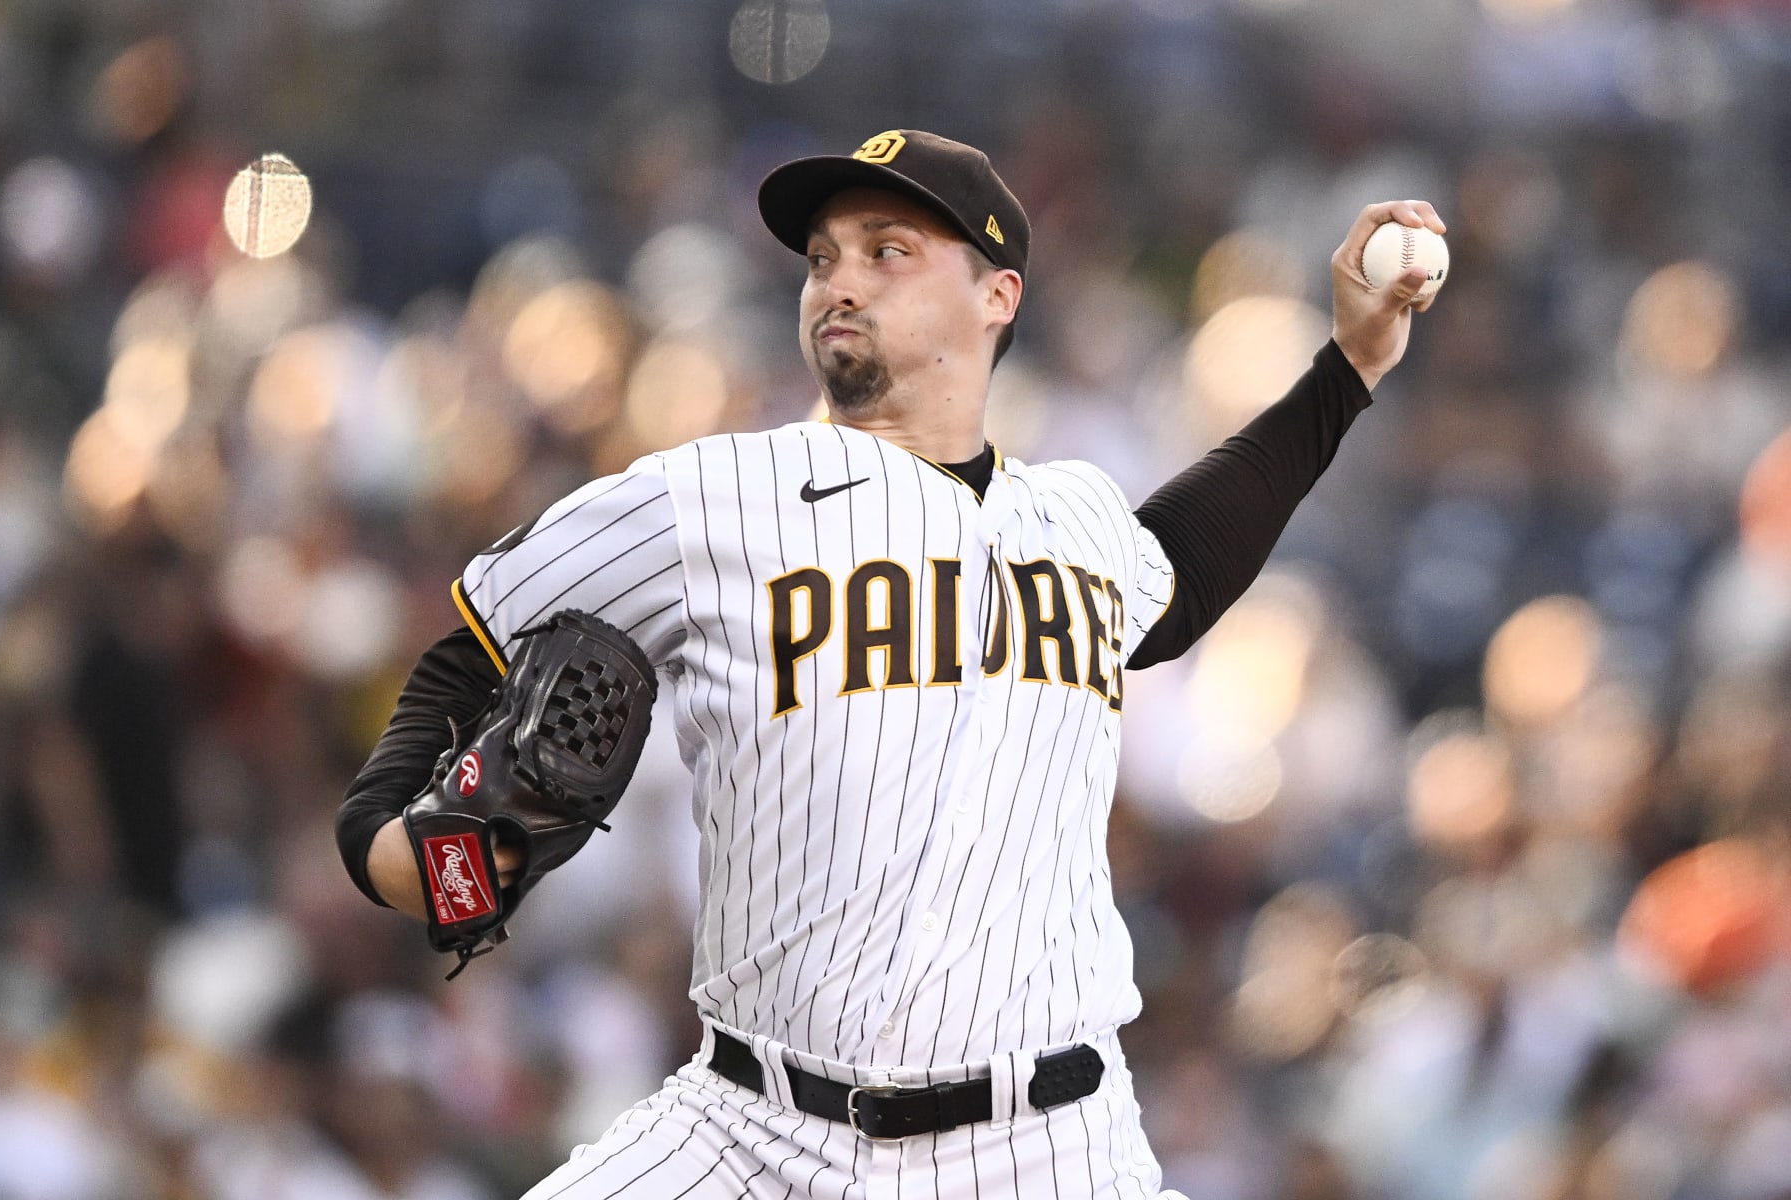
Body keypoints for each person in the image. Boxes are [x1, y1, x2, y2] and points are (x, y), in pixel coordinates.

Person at [336, 128, 1444, 1198]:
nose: (838, 282)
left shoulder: (1078, 517)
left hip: (1050, 1149)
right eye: (822, 259)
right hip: (750, 1131)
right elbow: (471, 646)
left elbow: (1185, 567)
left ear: (997, 295)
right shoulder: (706, 498)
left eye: (887, 252)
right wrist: (390, 846)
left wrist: (1348, 366)